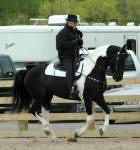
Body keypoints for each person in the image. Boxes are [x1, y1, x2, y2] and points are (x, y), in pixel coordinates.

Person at [56, 14, 83, 99]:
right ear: (69, 22)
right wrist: (75, 42)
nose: (76, 24)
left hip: (76, 56)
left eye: (76, 23)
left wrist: (80, 42)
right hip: (66, 57)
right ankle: (70, 90)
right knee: (70, 70)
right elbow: (61, 45)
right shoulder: (62, 33)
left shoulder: (75, 32)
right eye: (75, 23)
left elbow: (78, 45)